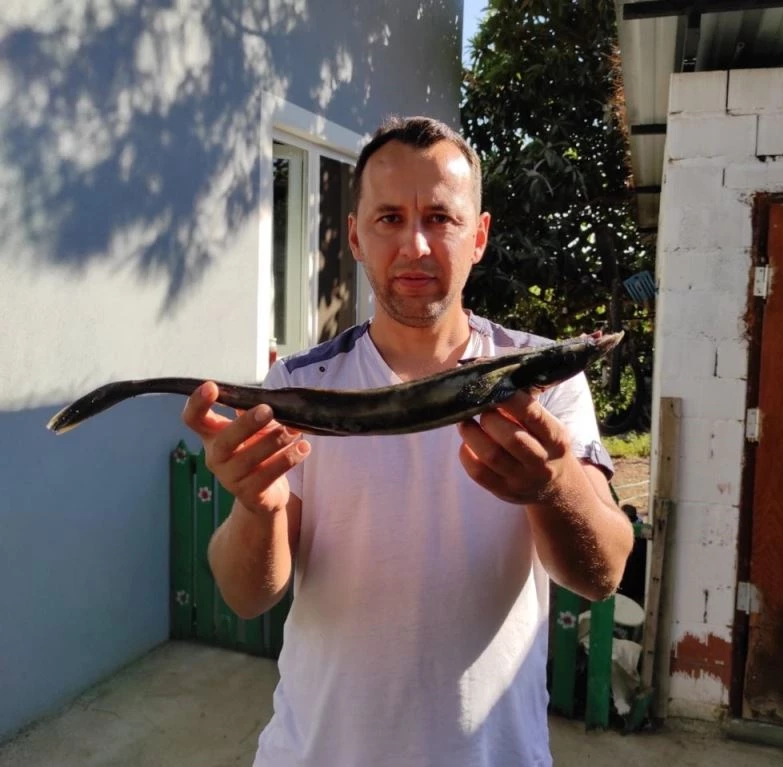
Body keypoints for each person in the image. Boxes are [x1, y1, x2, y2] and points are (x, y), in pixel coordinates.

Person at [182, 116, 634, 767]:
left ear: (478, 235)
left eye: (440, 218)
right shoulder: (299, 387)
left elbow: (602, 573)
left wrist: (555, 485)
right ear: (356, 237)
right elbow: (246, 594)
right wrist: (260, 506)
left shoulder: (545, 381)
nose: (415, 245)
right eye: (389, 218)